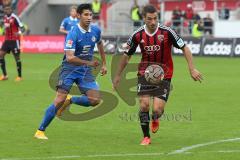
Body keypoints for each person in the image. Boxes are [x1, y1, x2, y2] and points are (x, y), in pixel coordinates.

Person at [113, 5, 202, 145]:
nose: (153, 22)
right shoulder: (137, 35)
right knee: (144, 105)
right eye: (149, 19)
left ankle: (155, 118)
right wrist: (118, 76)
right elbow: (126, 55)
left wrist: (192, 69)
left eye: (155, 18)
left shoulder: (167, 32)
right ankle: (146, 137)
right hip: (145, 73)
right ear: (144, 18)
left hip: (164, 74)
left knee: (157, 109)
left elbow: (185, 48)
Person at [34, 3, 107, 140]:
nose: (89, 17)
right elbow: (70, 57)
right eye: (86, 14)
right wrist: (89, 62)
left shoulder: (96, 30)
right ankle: (40, 131)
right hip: (69, 69)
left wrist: (104, 64)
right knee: (59, 99)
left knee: (95, 100)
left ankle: (71, 100)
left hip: (84, 71)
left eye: (90, 14)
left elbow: (100, 43)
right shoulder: (73, 33)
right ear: (79, 16)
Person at [0, 5, 25, 81]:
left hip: (15, 40)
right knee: (0, 55)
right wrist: (3, 30)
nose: (7, 10)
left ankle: (19, 76)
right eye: (6, 9)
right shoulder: (4, 18)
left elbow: (23, 27)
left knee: (17, 57)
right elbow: (3, 27)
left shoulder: (15, 18)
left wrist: (19, 32)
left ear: (11, 10)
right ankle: (5, 75)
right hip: (7, 40)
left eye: (9, 9)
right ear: (4, 10)